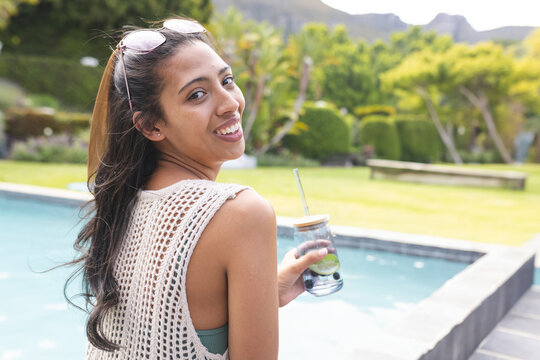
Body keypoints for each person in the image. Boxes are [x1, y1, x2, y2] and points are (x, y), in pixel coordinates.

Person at [74, 17, 328, 359]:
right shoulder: (239, 213)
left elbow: (162, 325)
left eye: (227, 80)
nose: (229, 103)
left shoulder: (122, 204)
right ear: (151, 125)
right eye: (197, 95)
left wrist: (267, 294)